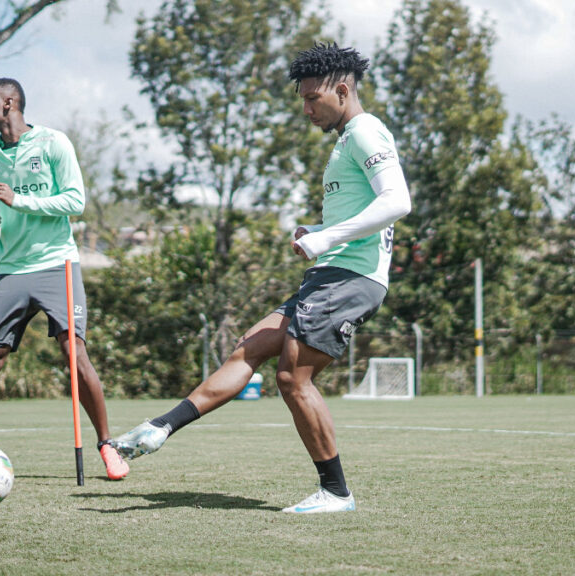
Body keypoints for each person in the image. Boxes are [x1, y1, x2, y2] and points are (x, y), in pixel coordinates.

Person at [112, 43, 410, 512]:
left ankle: (336, 493)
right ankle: (160, 428)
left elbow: (397, 201)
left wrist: (326, 239)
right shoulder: (346, 139)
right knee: (249, 348)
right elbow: (364, 211)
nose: (307, 109)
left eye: (313, 98)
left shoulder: (365, 131)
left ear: (343, 89)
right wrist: (318, 231)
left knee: (293, 379)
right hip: (331, 272)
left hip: (349, 277)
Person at [0, 78, 128, 481]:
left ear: (9, 103)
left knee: (74, 353)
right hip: (12, 268)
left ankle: (108, 446)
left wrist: (21, 201)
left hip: (57, 265)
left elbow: (75, 202)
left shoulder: (53, 143)